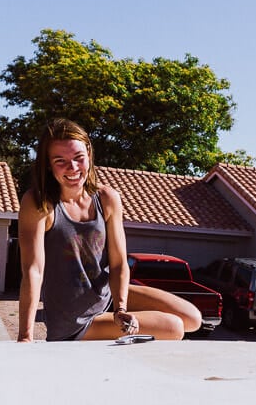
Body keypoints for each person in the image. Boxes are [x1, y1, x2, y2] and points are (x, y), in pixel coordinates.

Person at [17, 118, 201, 342]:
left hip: (107, 297)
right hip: (75, 320)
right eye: (60, 161)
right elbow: (33, 270)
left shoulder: (107, 199)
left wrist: (121, 309)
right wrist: (25, 336)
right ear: (47, 164)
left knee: (193, 318)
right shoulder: (39, 204)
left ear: (89, 155)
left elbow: (118, 263)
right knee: (173, 327)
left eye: (78, 158)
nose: (73, 168)